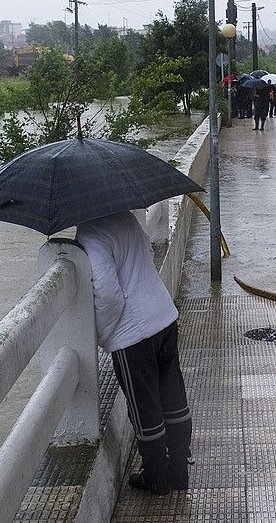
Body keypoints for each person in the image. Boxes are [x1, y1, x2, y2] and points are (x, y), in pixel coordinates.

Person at [77, 211, 192, 495]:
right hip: (163, 316)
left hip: (132, 335)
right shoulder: (126, 217)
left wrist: (103, 336)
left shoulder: (90, 233)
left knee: (144, 408)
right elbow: (149, 251)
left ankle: (156, 477)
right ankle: (179, 468)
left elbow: (107, 294)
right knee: (172, 395)